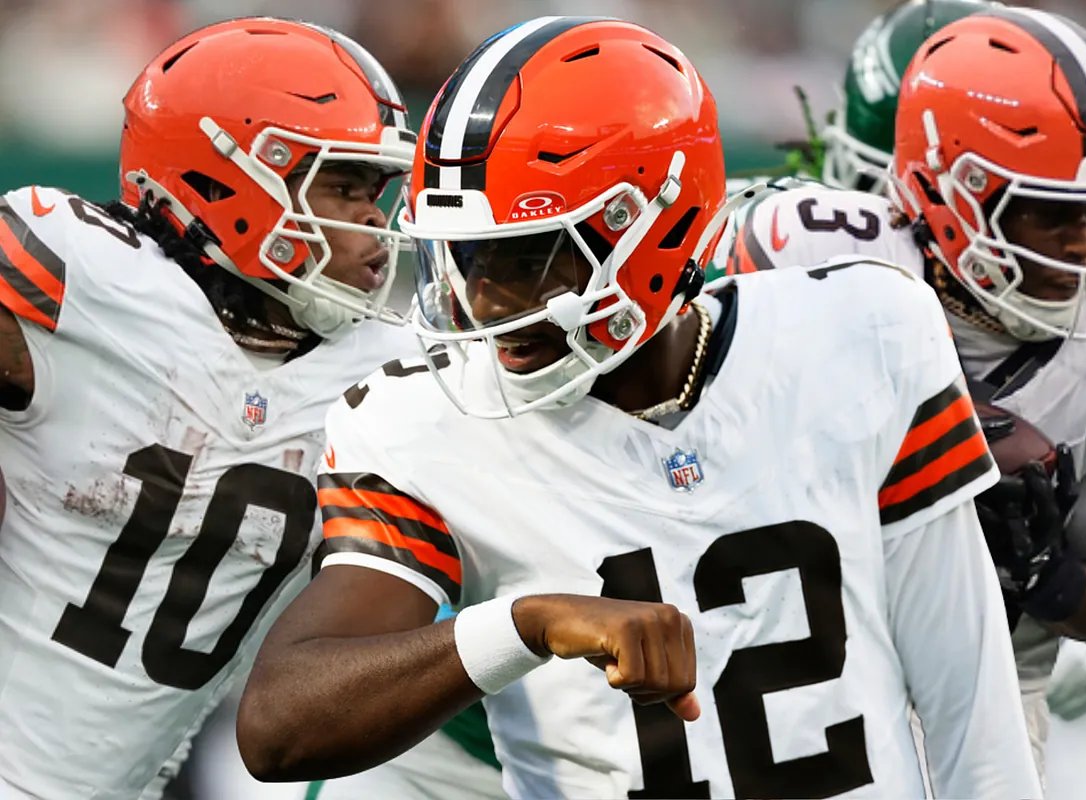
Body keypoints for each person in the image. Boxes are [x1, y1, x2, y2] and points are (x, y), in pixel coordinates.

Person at [236, 16, 1040, 800]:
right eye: (466, 259)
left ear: (657, 226)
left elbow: (968, 697)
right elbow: (279, 728)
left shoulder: (862, 332)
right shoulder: (422, 424)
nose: (484, 304)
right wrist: (524, 624)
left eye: (526, 257)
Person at [719, 5, 1086, 779]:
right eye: (1050, 212)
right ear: (950, 193)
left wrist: (1049, 575)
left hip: (987, 699)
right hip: (778, 666)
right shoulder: (815, 252)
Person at [0, 17, 425, 799]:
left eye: (376, 193)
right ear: (223, 180)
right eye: (342, 187)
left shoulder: (387, 374)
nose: (373, 221)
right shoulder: (82, 277)